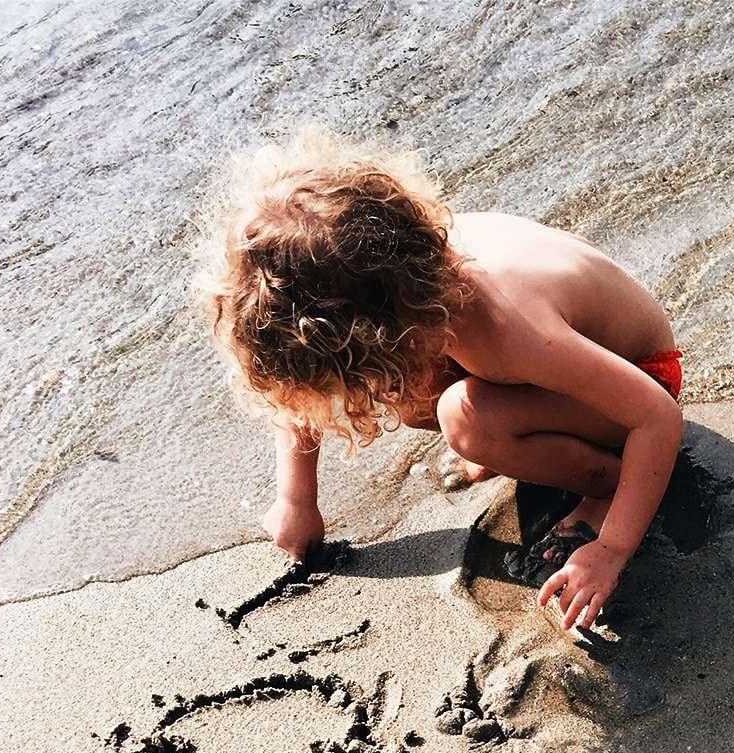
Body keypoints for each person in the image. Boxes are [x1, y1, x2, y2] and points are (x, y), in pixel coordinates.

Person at [198, 130, 682, 633]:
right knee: (414, 395)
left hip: (643, 377)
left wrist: (611, 548)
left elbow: (657, 415)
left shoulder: (509, 329)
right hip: (567, 370)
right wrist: (296, 501)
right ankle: (526, 434)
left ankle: (603, 485)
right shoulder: (405, 269)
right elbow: (305, 382)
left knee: (465, 419)